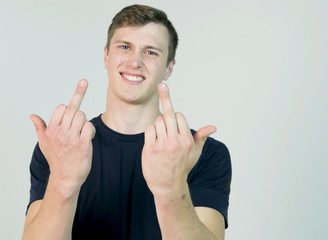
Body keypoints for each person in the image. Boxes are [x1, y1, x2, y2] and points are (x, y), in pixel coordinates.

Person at [22, 4, 231, 240]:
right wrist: (63, 181)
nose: (135, 62)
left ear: (169, 68)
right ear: (106, 56)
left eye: (151, 52)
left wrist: (171, 190)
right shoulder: (62, 145)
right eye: (124, 47)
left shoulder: (201, 153)